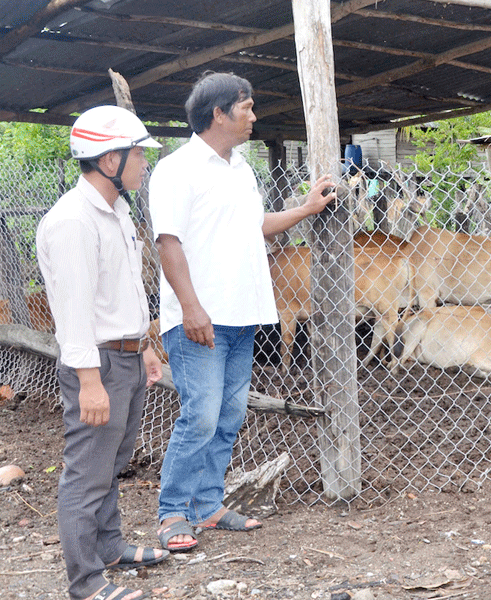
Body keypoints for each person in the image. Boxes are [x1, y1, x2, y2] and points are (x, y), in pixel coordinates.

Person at [149, 72, 335, 552]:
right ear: (218, 114)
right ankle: (172, 514)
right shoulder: (177, 169)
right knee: (201, 417)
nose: (254, 117)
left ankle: (208, 506)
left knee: (229, 415)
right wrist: (191, 308)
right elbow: (168, 242)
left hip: (242, 315)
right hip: (200, 319)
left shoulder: (241, 169)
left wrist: (307, 208)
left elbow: (259, 225)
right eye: (247, 108)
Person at [37, 105, 167, 600]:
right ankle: (86, 582)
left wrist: (146, 347)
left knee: (113, 462)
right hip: (97, 363)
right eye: (138, 154)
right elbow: (72, 312)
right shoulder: (72, 220)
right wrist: (89, 380)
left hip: (127, 356)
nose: (144, 163)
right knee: (86, 475)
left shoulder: (116, 211)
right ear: (108, 158)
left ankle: (110, 547)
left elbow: (125, 291)